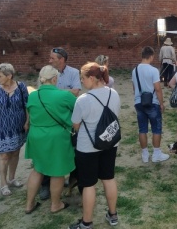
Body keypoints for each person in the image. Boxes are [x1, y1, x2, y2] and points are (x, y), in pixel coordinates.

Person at [69, 62, 121, 229]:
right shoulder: (114, 93)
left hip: (87, 147)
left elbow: (75, 125)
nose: (82, 82)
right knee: (108, 178)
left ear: (92, 78)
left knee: (89, 184)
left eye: (83, 78)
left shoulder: (83, 100)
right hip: (109, 142)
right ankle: (113, 214)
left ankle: (87, 222)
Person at [24, 65, 76, 214]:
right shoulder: (64, 96)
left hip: (36, 136)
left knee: (37, 169)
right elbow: (78, 111)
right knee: (57, 171)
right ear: (55, 79)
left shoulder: (33, 95)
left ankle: (29, 204)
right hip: (56, 137)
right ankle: (55, 204)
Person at [41, 47, 81, 200]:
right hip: (50, 118)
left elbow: (76, 91)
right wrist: (65, 93)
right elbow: (42, 93)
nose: (49, 61)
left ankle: (71, 181)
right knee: (49, 151)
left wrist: (54, 94)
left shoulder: (73, 72)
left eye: (52, 58)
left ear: (61, 59)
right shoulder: (46, 72)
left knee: (70, 150)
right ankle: (46, 183)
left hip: (67, 118)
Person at [0, 63, 29, 196]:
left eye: (0, 76)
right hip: (2, 127)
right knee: (4, 155)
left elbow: (27, 105)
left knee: (15, 153)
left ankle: (12, 178)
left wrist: (27, 121)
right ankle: (3, 183)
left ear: (9, 76)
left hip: (18, 126)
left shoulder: (21, 87)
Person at [132, 46, 170, 163]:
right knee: (156, 129)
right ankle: (156, 154)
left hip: (139, 102)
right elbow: (158, 88)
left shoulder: (135, 70)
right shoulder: (153, 70)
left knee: (142, 129)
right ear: (151, 56)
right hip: (152, 102)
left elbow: (134, 87)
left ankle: (145, 154)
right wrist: (161, 103)